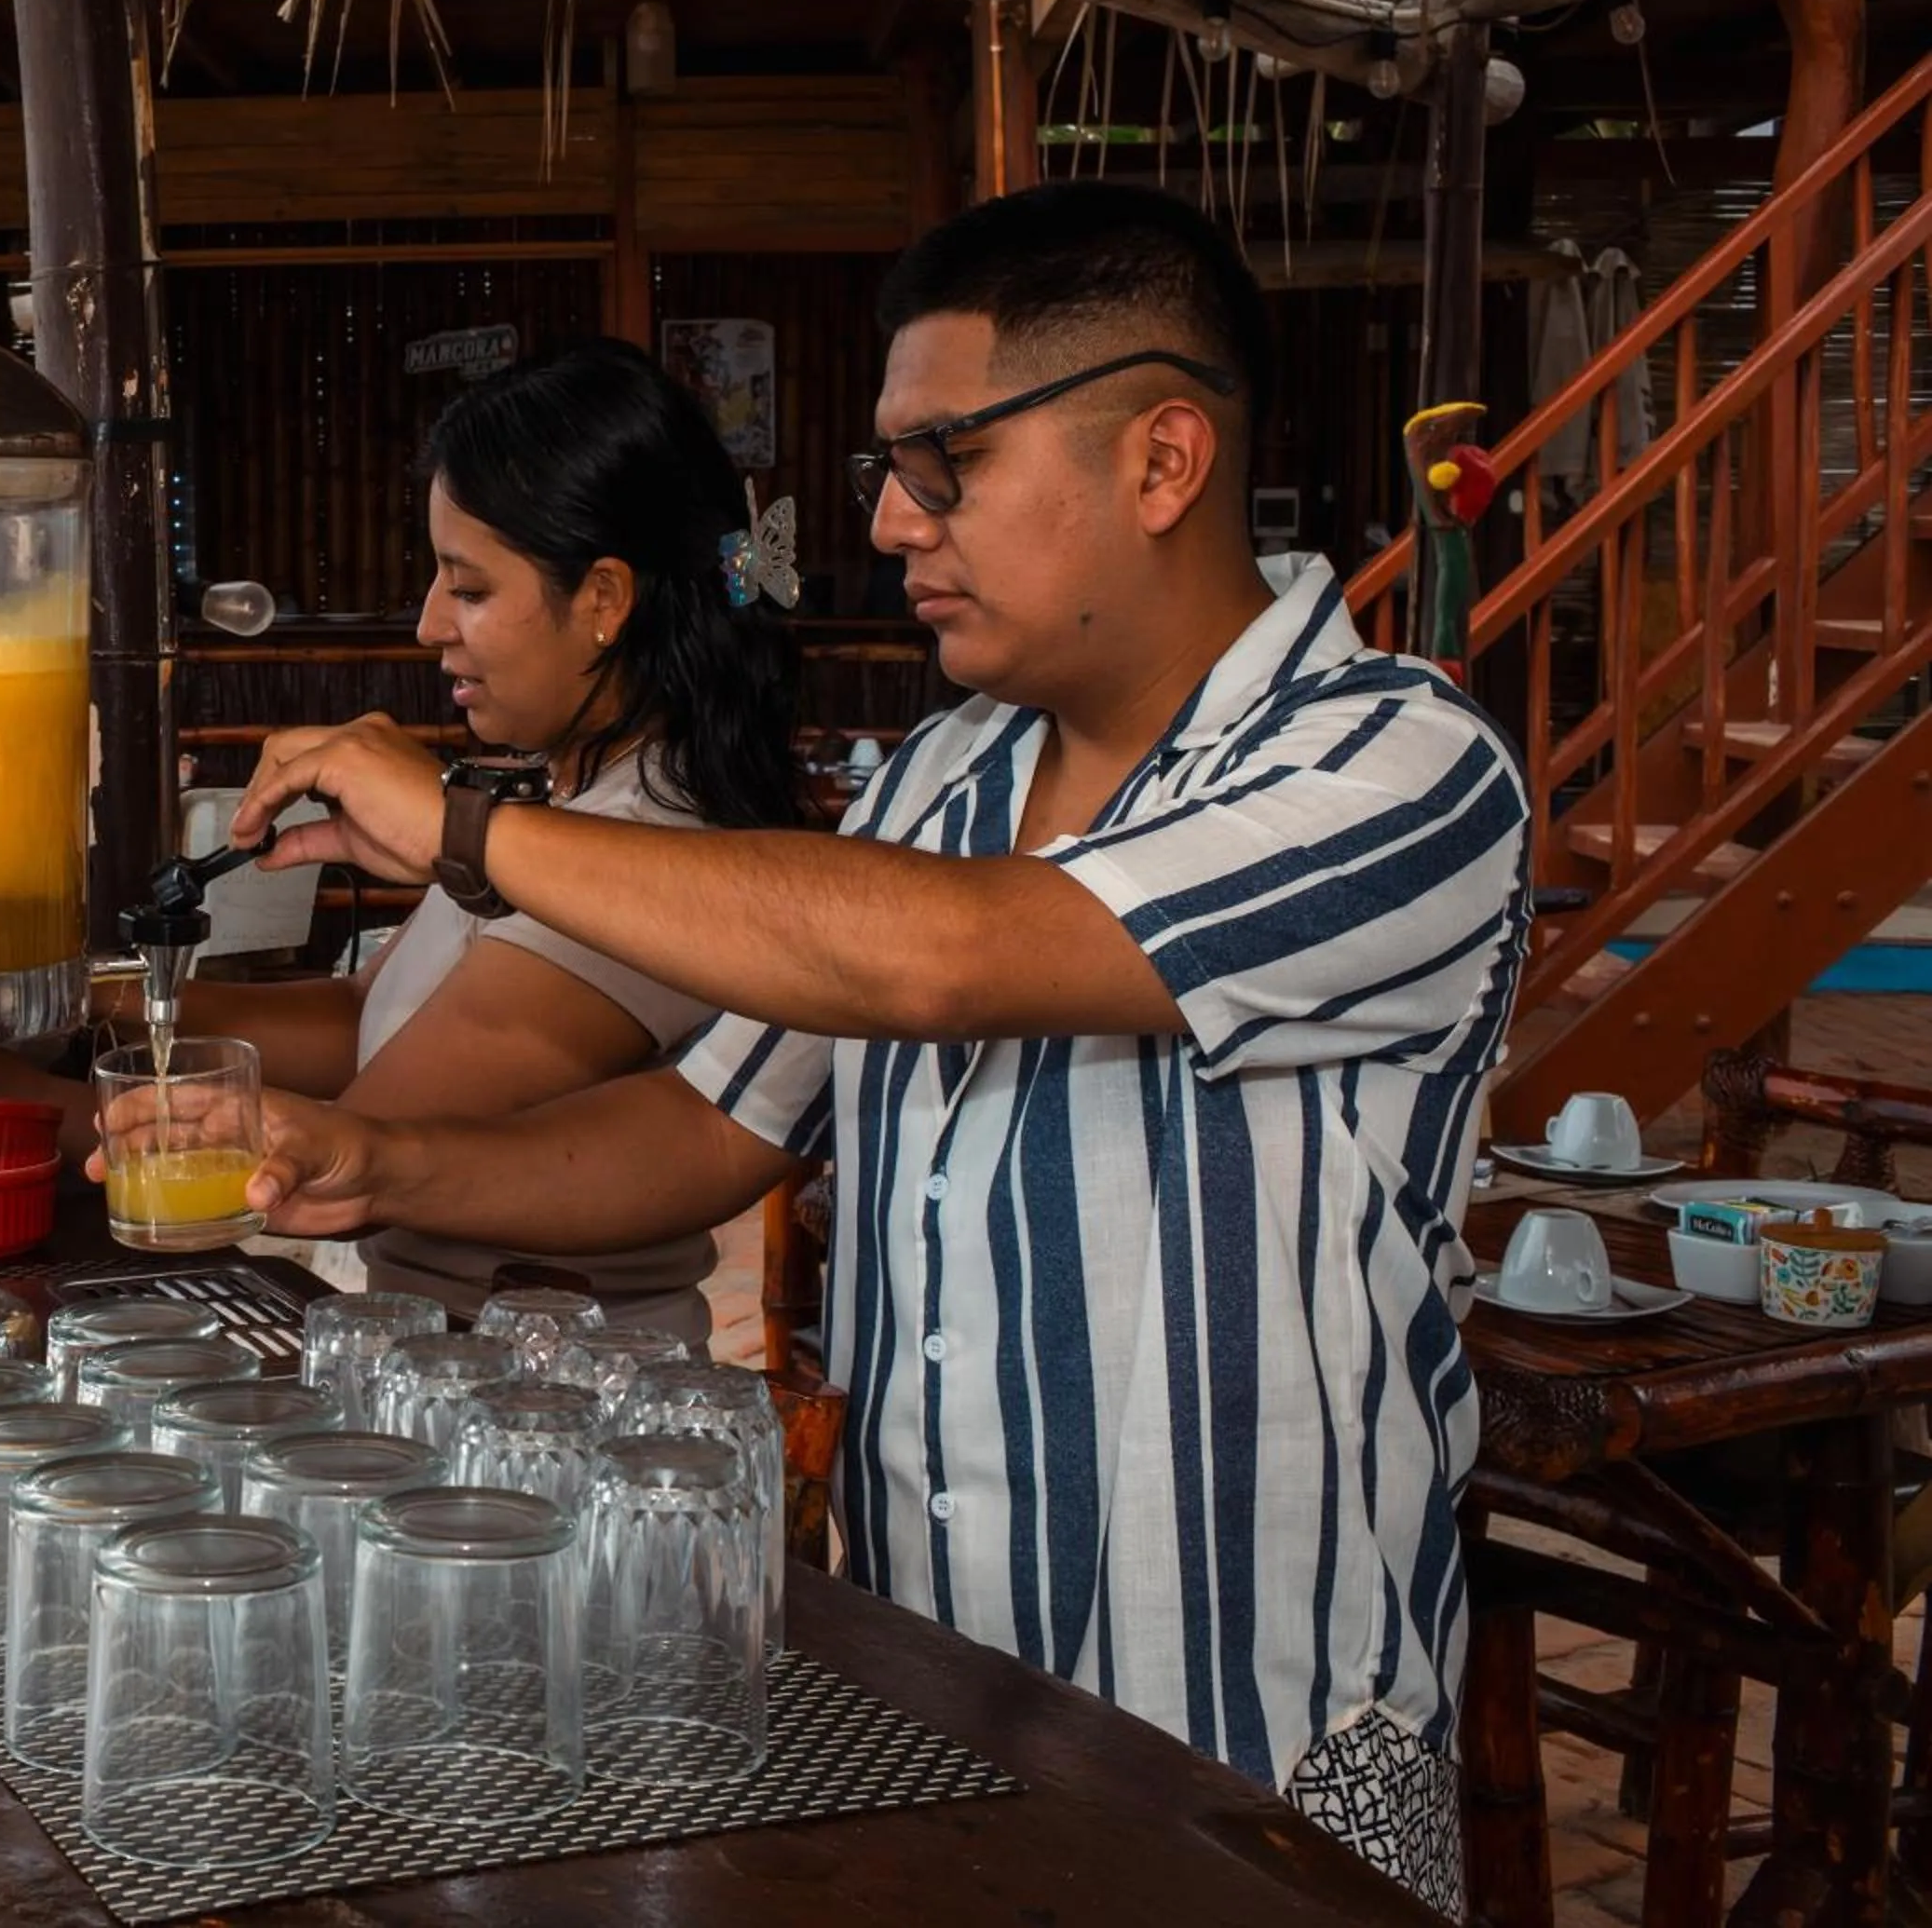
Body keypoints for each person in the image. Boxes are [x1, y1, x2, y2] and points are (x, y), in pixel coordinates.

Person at [158, 183, 1532, 1909]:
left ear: (1162, 461)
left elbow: (952, 962)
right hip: (932, 1707)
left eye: (941, 462)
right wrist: (383, 1164)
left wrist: (463, 830)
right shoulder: (942, 778)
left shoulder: (1398, 768)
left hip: (1251, 1739)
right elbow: (711, 1124)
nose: (890, 519)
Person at [0, 337, 808, 1339]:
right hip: (431, 1349)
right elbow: (361, 1020)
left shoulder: (646, 846)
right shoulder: (550, 808)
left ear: (603, 600)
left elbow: (353, 1131)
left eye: (468, 588)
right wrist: (84, 1002)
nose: (430, 624)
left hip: (535, 1391)